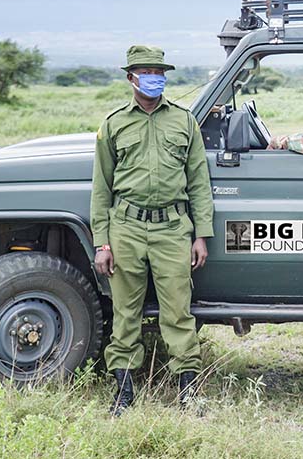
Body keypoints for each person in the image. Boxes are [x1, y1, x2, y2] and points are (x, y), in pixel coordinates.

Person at [90, 45, 214, 416]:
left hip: (173, 229)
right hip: (125, 228)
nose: (153, 78)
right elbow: (102, 189)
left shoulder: (184, 121)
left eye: (159, 71)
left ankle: (188, 392)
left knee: (178, 312)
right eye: (145, 71)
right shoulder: (113, 124)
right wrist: (102, 243)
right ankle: (124, 394)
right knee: (126, 312)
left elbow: (199, 183)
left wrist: (200, 235)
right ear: (130, 77)